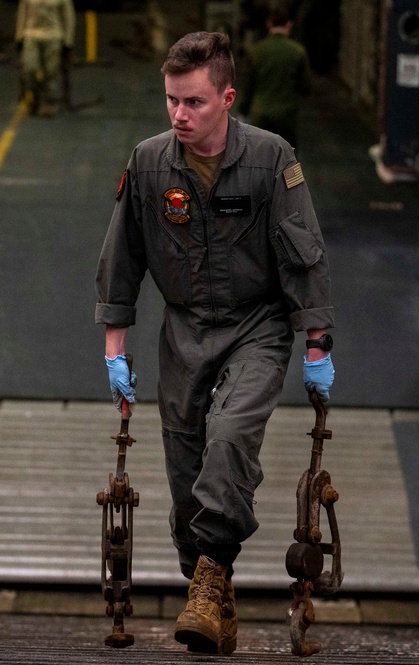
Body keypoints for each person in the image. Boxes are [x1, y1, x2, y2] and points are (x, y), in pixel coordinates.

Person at [94, 31, 334, 654]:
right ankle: (209, 586)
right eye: (172, 100)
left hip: (257, 328)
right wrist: (114, 352)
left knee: (230, 438)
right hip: (184, 332)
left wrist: (317, 345)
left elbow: (305, 255)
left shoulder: (271, 159)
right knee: (186, 479)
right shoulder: (149, 163)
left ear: (227, 98)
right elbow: (123, 258)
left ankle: (207, 584)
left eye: (194, 102)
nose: (179, 114)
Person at [237, 0, 312, 147]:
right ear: (289, 24)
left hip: (260, 113)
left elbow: (249, 86)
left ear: (269, 24)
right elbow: (306, 86)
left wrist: (243, 110)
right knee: (288, 158)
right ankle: (289, 171)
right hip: (286, 115)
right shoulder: (298, 51)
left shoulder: (257, 50)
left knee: (259, 156)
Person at [14, 0, 75, 117]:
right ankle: (35, 96)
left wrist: (68, 41)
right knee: (29, 68)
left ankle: (47, 102)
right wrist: (19, 36)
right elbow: (22, 14)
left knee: (51, 72)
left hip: (53, 36)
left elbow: (68, 17)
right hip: (31, 35)